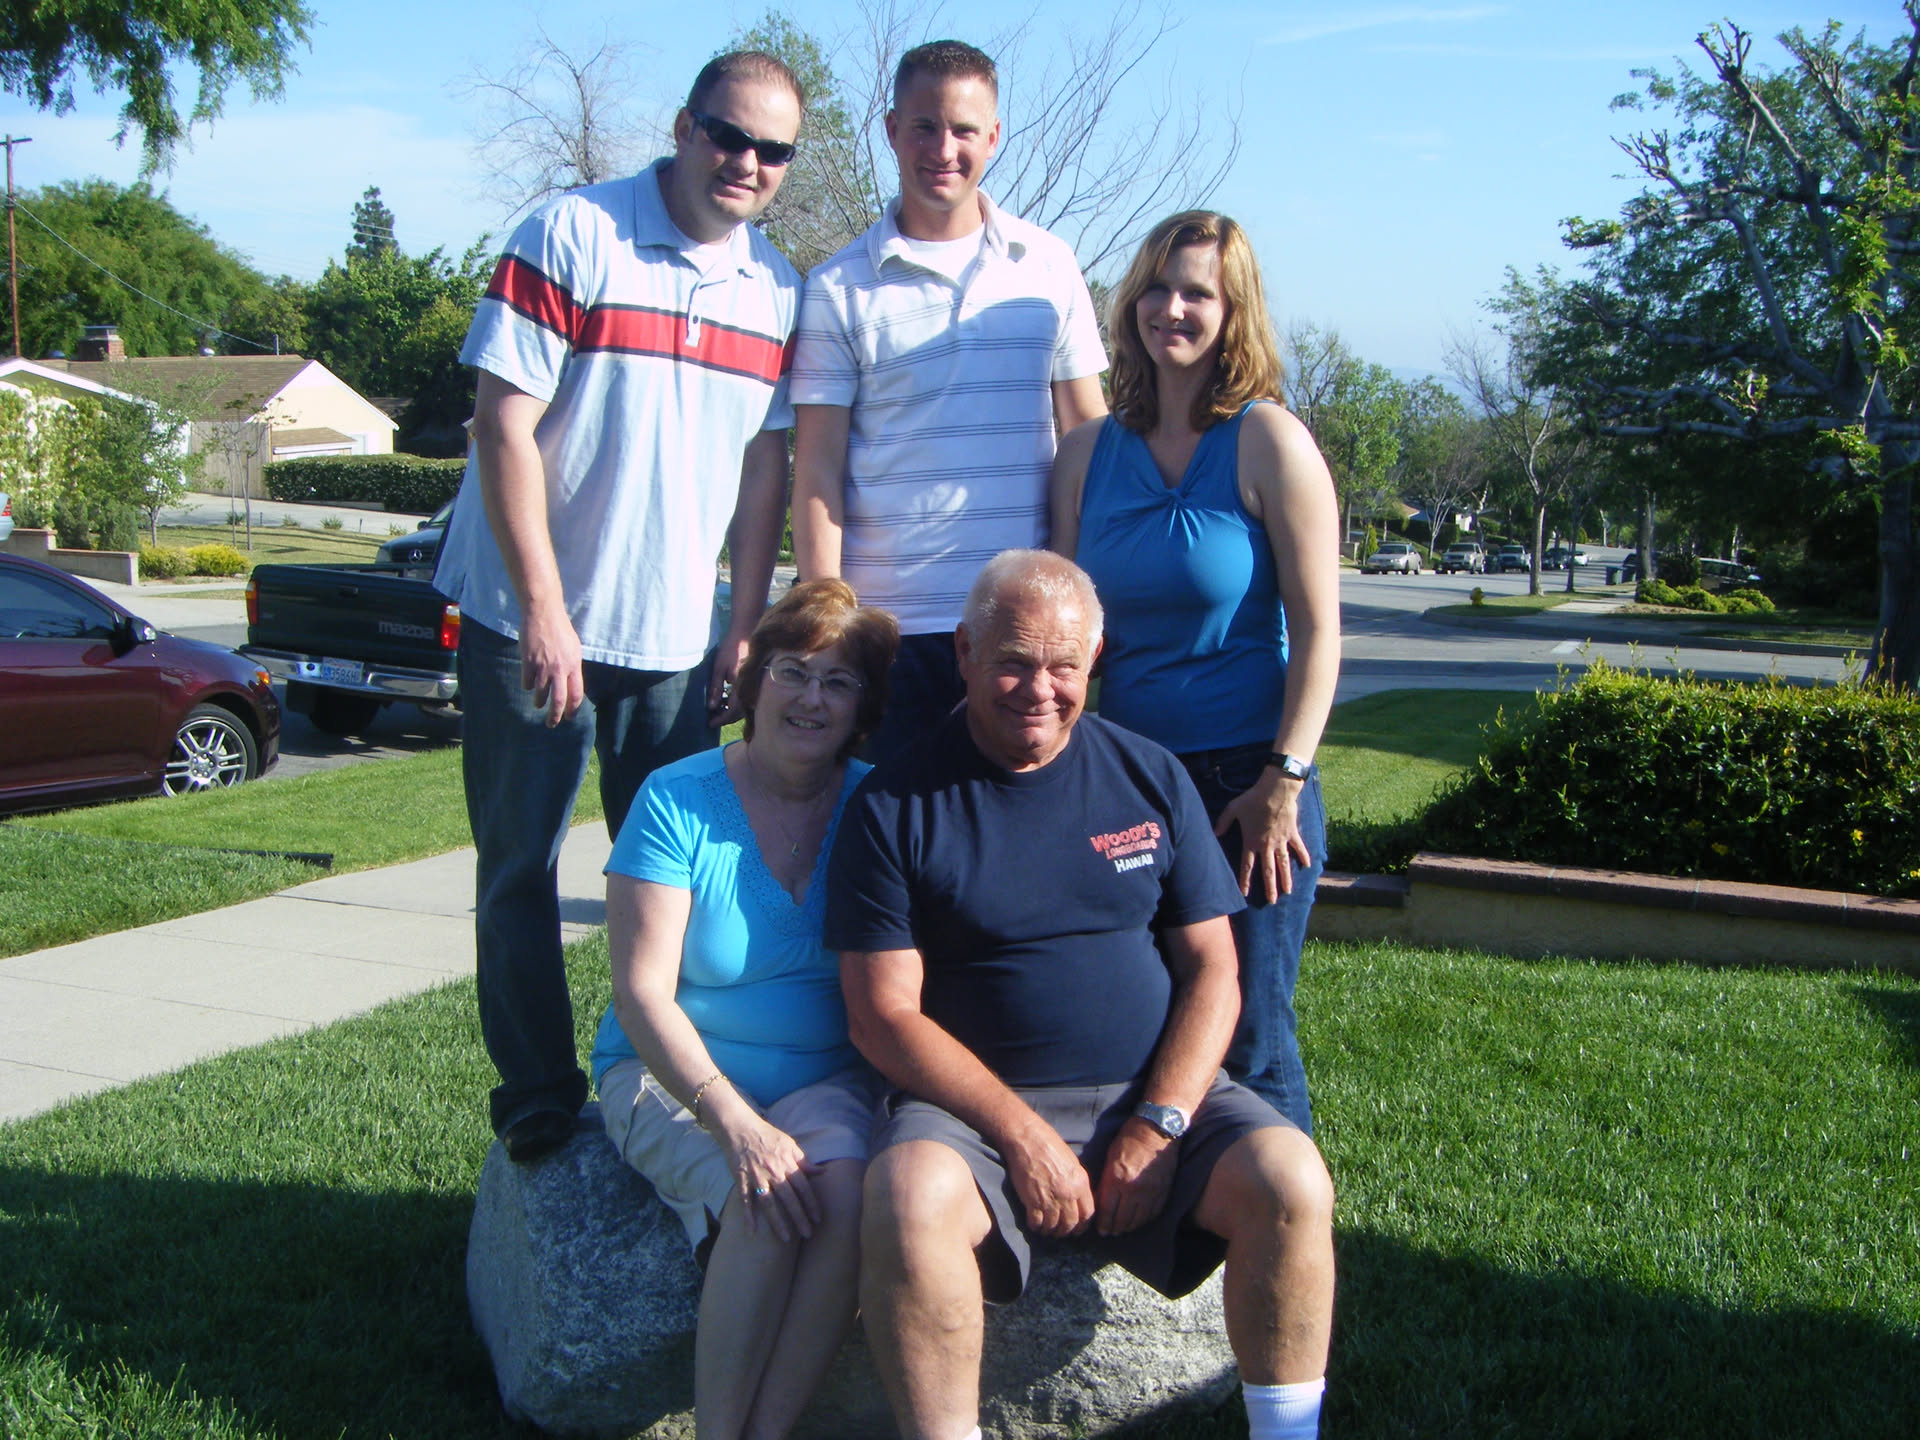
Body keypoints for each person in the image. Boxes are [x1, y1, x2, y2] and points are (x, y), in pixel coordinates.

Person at [828, 551, 1336, 1440]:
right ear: (963, 653)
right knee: (908, 1195)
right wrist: (1021, 1135)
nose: (1040, 689)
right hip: (975, 1117)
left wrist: (1161, 1123)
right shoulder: (895, 803)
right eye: (1012, 662)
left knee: (1291, 1178)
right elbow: (882, 1014)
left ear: (1096, 660)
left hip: (1148, 1094)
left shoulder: (1149, 776)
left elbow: (1215, 970)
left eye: (1064, 666)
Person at [433, 51, 807, 1163]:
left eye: (774, 150)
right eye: (729, 135)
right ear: (685, 128)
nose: (747, 162)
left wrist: (743, 621)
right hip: (525, 618)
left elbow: (765, 468)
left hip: (673, 637)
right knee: (520, 867)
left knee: (674, 879)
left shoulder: (778, 289)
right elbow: (502, 424)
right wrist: (544, 609)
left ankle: (665, 1079)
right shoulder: (572, 234)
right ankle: (538, 1094)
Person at [1050, 211, 1341, 1136]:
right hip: (1128, 781)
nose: (1170, 308)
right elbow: (1069, 633)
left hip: (1246, 785)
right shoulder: (1086, 454)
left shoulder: (1269, 441)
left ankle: (1280, 1210)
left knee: (1250, 1030)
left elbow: (1321, 634)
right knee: (1144, 1019)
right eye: (1157, 287)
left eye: (1197, 293)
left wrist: (1283, 781)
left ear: (1232, 311)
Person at [594, 579, 899, 1439]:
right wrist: (732, 1121)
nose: (812, 698)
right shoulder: (676, 797)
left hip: (824, 1081)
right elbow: (641, 992)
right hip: (672, 1073)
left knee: (845, 1201)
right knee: (762, 1197)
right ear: (754, 680)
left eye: (838, 682)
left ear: (862, 707)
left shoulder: (879, 805)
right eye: (793, 671)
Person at [789, 38, 1109, 765]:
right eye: (925, 126)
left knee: (1013, 827)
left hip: (1020, 632)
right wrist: (827, 617)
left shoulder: (1049, 266)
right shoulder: (837, 287)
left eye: (964, 129)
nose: (943, 149)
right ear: (891, 129)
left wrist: (1076, 598)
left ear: (993, 137)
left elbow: (1087, 441)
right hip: (886, 633)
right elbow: (816, 471)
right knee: (882, 827)